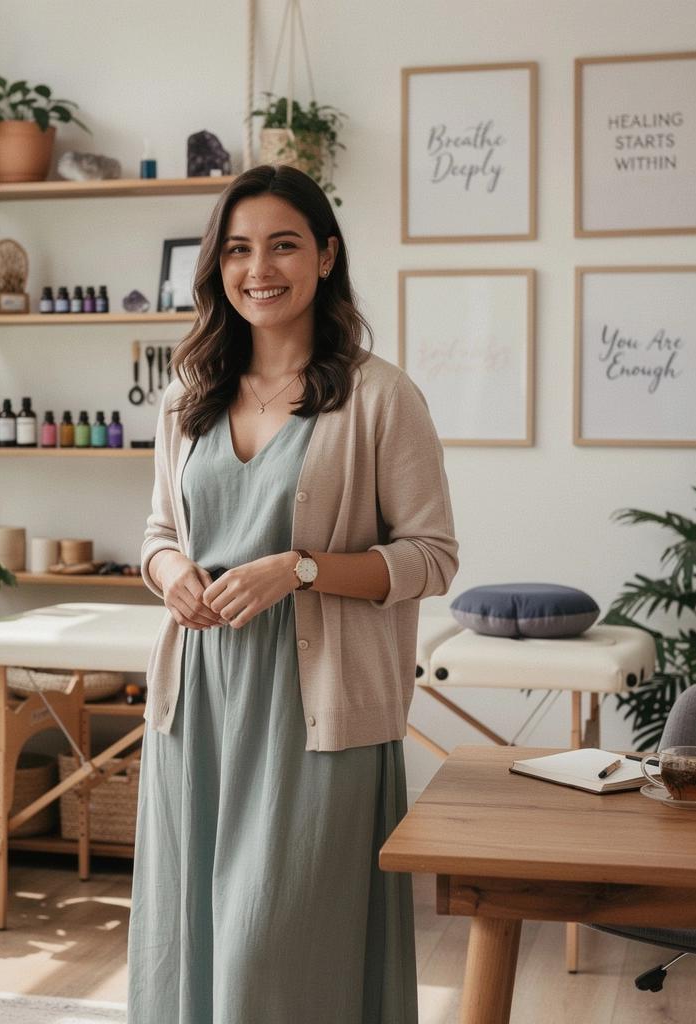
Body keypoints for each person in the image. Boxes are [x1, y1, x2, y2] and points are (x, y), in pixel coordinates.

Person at [127, 164, 458, 1023]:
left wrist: (300, 569)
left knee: (276, 952)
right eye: (238, 250)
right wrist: (173, 576)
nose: (259, 269)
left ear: (326, 257)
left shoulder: (381, 397)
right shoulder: (187, 397)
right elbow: (158, 533)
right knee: (191, 939)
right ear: (218, 265)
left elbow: (431, 557)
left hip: (313, 716)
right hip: (197, 707)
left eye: (283, 245)